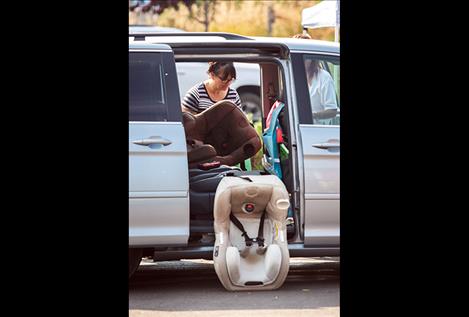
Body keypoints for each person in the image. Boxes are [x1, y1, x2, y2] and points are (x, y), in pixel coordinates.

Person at [304, 58, 338, 124]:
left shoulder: (324, 77)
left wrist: (312, 116)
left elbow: (332, 111)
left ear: (312, 60)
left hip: (318, 129)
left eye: (306, 59)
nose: (302, 61)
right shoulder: (295, 77)